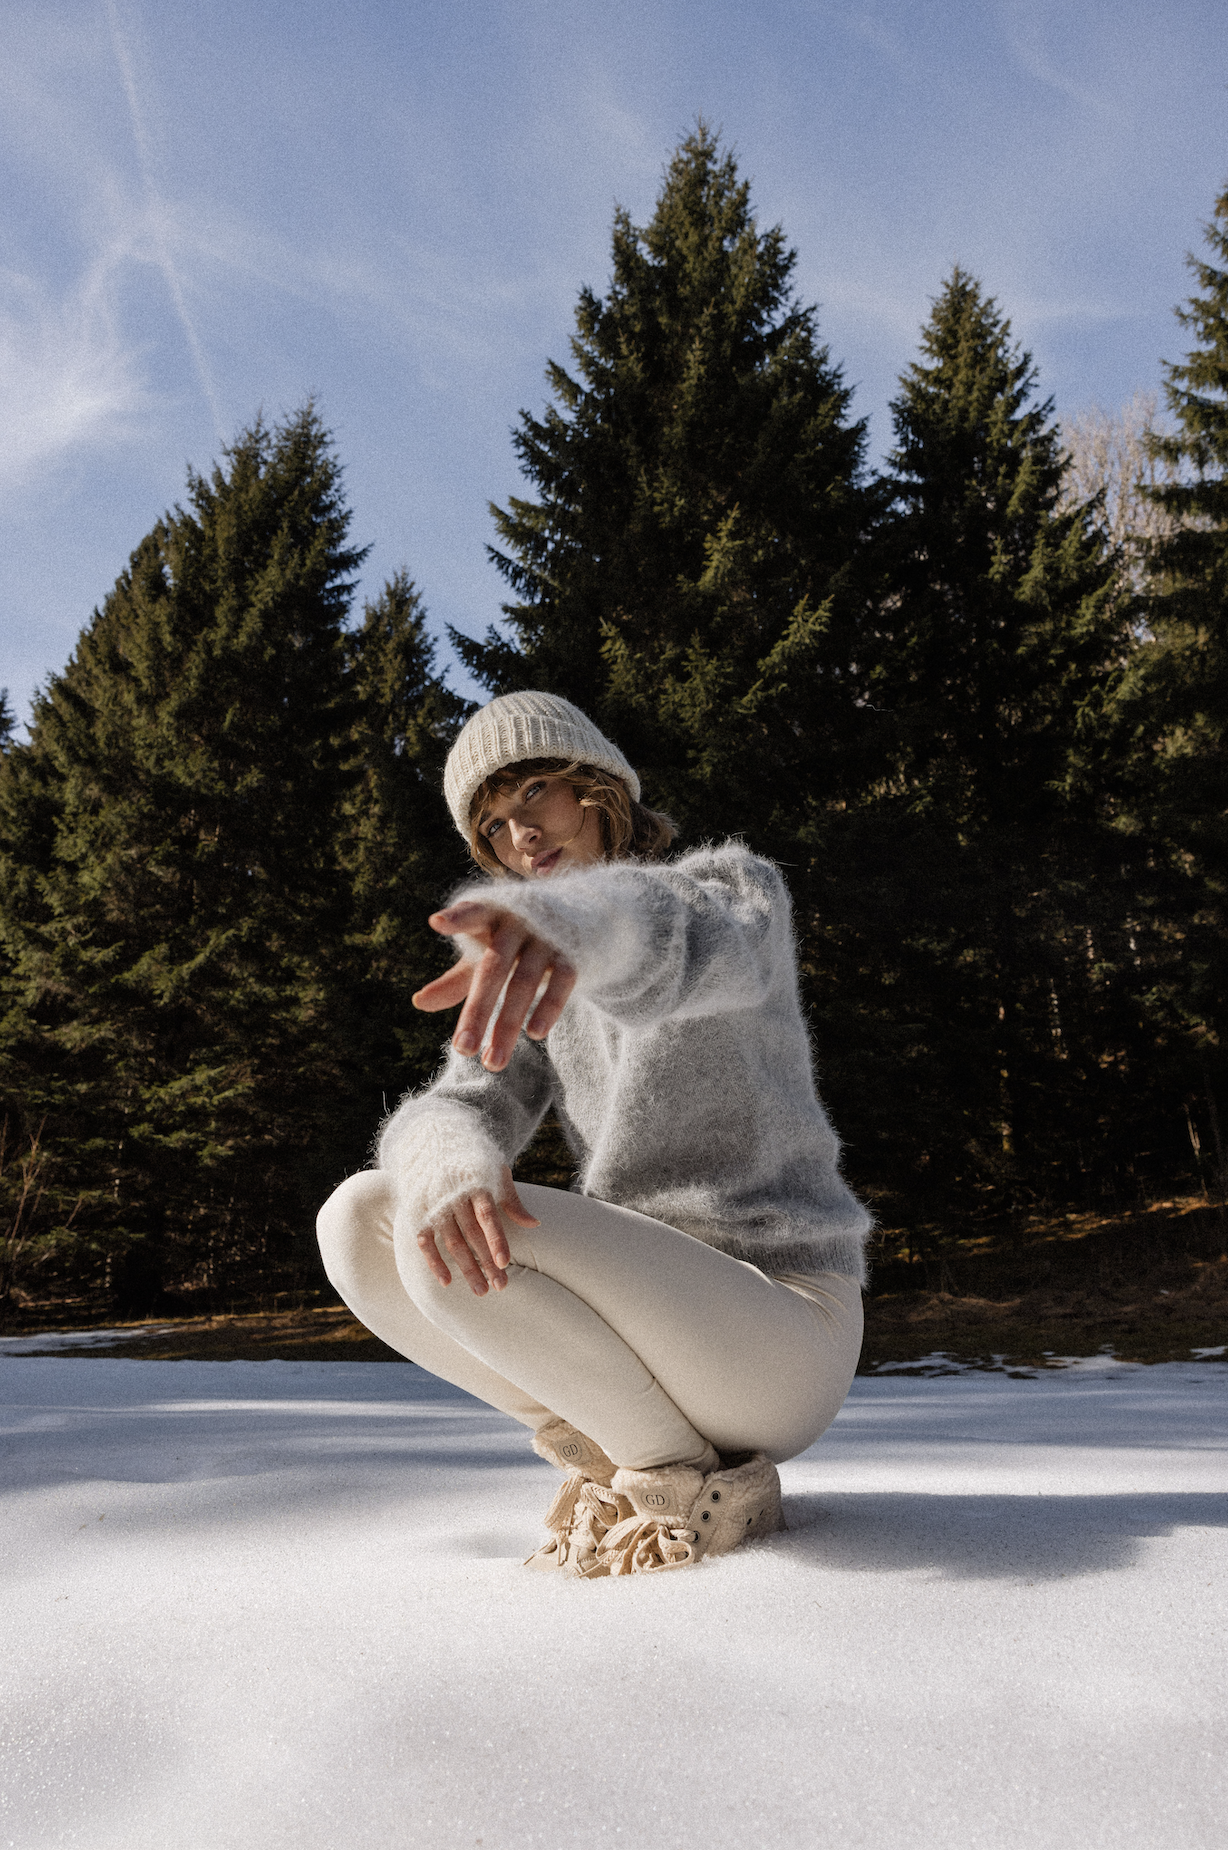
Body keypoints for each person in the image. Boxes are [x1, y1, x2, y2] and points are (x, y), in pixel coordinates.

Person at [316, 691, 871, 1576]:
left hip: (782, 1324)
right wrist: (450, 1152)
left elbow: (679, 942)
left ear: (598, 788)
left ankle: (676, 1481)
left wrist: (575, 926)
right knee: (364, 1218)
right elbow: (456, 1099)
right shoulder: (535, 990)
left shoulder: (732, 894)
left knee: (439, 1249)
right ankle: (628, 1456)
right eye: (493, 825)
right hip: (648, 1327)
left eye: (535, 790)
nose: (520, 835)